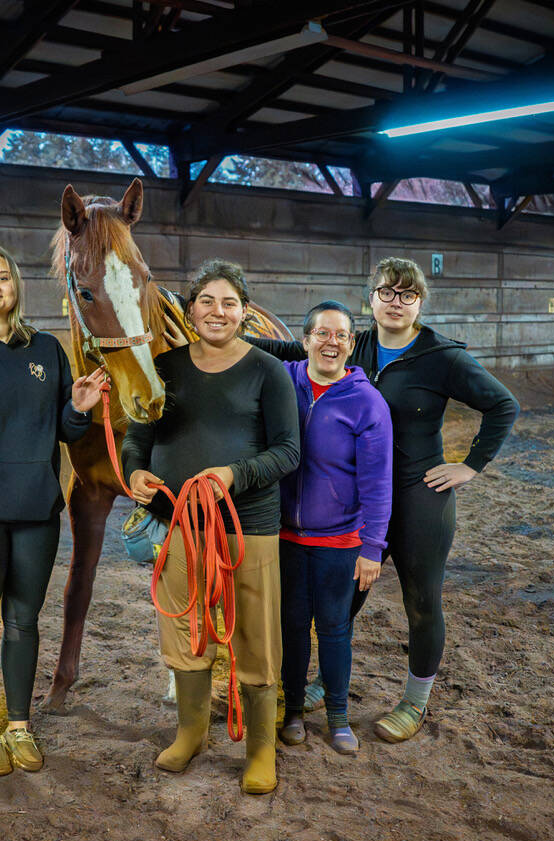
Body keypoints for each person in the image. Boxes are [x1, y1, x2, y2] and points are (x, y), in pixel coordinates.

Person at [250, 258, 518, 742]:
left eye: (407, 295)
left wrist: (470, 465)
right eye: (387, 293)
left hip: (418, 496)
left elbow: (503, 404)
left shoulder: (442, 357)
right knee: (342, 599)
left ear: (420, 302)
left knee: (421, 601)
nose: (396, 303)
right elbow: (287, 348)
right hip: (360, 498)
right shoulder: (356, 344)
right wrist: (220, 331)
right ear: (370, 299)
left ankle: (414, 702)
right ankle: (325, 680)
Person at [121, 259, 299, 794]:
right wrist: (135, 470)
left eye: (229, 303)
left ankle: (260, 748)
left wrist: (233, 474)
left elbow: (288, 451)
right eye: (206, 301)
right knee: (183, 629)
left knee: (255, 636)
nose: (217, 312)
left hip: (247, 528)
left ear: (245, 312)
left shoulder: (267, 371)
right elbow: (138, 436)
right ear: (191, 309)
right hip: (177, 523)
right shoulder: (164, 368)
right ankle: (191, 732)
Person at [0, 242, 104, 777]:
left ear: (15, 287)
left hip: (35, 514)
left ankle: (20, 725)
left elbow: (62, 431)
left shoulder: (46, 350)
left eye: (3, 276)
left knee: (24, 622)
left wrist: (77, 409)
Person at [276, 301, 392, 755]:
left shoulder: (366, 402)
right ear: (305, 340)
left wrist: (372, 547)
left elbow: (377, 482)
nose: (331, 342)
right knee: (291, 627)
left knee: (334, 628)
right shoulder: (283, 382)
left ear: (351, 344)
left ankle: (339, 717)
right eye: (322, 333)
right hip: (285, 537)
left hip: (340, 540)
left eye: (341, 335)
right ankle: (292, 712)